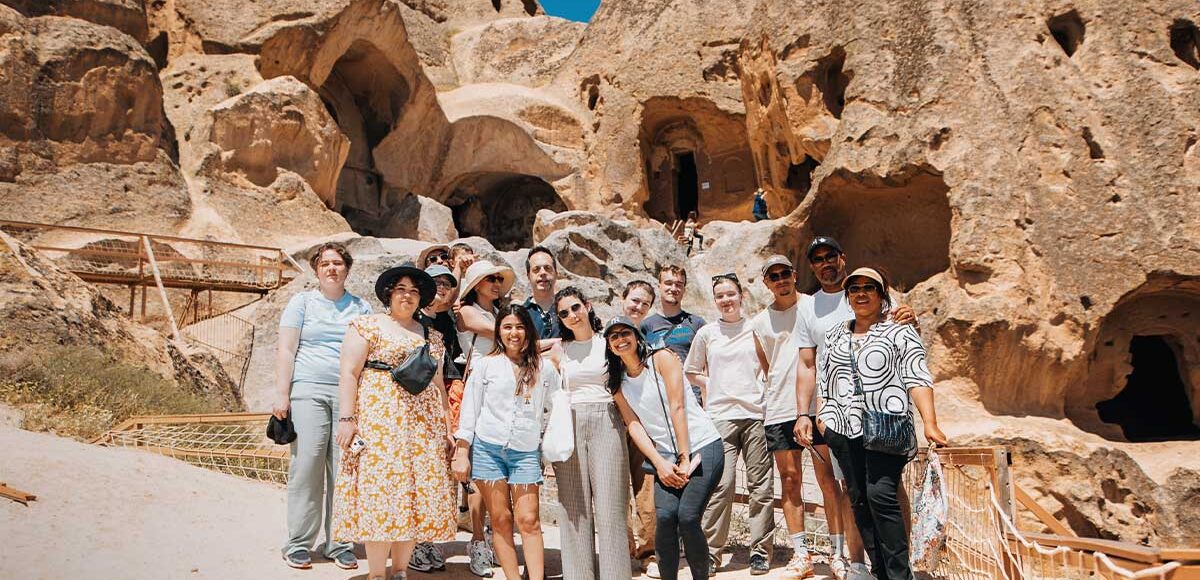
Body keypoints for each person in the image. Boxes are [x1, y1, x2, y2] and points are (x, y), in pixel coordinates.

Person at [804, 267, 947, 580]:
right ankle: (880, 570)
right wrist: (824, 418)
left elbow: (917, 376)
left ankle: (899, 574)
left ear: (882, 295)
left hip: (886, 425)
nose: (861, 293)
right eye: (854, 288)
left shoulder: (899, 330)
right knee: (858, 499)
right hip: (843, 428)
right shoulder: (835, 334)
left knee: (881, 495)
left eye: (869, 287)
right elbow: (825, 379)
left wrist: (930, 422)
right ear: (847, 296)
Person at [794, 236, 918, 580]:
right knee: (854, 492)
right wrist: (807, 412)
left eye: (830, 255)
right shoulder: (809, 306)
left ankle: (899, 567)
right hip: (838, 419)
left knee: (888, 492)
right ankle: (862, 562)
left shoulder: (874, 289)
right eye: (817, 258)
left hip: (883, 419)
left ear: (842, 258)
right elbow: (809, 364)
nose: (824, 263)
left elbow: (908, 346)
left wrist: (912, 319)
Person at [332, 264, 457, 580]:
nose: (408, 295)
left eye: (414, 291)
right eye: (401, 289)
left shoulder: (432, 335)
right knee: (382, 494)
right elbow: (349, 372)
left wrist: (446, 428)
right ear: (389, 293)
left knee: (413, 497)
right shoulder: (367, 326)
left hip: (422, 426)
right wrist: (347, 418)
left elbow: (439, 384)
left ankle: (400, 571)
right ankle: (376, 574)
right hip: (379, 423)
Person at [273, 242, 371, 571]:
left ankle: (340, 542)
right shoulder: (301, 303)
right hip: (308, 390)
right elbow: (286, 350)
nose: (331, 268)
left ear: (347, 268)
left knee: (344, 468)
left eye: (337, 263)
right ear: (316, 270)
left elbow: (371, 355)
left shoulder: (361, 307)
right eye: (325, 263)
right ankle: (299, 541)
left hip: (348, 393)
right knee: (307, 465)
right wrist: (281, 394)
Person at [605, 317, 724, 580]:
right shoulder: (618, 383)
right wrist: (660, 463)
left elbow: (677, 406)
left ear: (637, 337)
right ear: (610, 346)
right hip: (666, 457)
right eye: (613, 337)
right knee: (667, 518)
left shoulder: (662, 359)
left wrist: (684, 457)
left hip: (702, 445)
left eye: (625, 333)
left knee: (688, 517)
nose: (620, 339)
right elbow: (634, 425)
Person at [452, 305, 561, 580]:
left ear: (529, 331)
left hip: (524, 452)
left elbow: (555, 408)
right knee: (500, 520)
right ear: (499, 331)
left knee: (529, 520)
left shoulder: (545, 369)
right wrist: (462, 451)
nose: (514, 333)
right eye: (508, 327)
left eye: (520, 327)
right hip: (489, 448)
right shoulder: (486, 364)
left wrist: (548, 447)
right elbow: (470, 409)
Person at [750, 255, 838, 579]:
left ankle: (838, 552)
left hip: (818, 407)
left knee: (829, 480)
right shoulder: (759, 322)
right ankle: (802, 554)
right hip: (779, 408)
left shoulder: (815, 306)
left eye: (784, 273)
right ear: (767, 283)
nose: (780, 279)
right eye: (773, 276)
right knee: (790, 482)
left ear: (794, 274)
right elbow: (766, 364)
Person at [685, 274, 774, 576]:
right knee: (721, 487)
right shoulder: (708, 333)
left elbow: (770, 367)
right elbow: (691, 370)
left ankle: (760, 552)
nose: (726, 300)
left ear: (741, 296)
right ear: (715, 300)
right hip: (720, 416)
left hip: (756, 415)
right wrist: (710, 383)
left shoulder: (757, 329)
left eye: (730, 294)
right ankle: (711, 553)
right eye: (720, 295)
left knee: (760, 487)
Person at [553, 286, 633, 580]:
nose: (571, 316)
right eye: (563, 313)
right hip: (570, 422)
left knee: (611, 509)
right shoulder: (561, 349)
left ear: (587, 306)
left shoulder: (608, 343)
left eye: (575, 308)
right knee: (574, 509)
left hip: (607, 420)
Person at [456, 259, 516, 576]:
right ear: (476, 283)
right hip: (477, 392)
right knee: (479, 471)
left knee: (497, 468)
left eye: (498, 278)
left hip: (500, 393)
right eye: (489, 278)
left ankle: (492, 538)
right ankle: (478, 541)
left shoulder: (496, 314)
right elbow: (506, 336)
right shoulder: (467, 313)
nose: (496, 283)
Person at [409, 264, 464, 573]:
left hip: (436, 404)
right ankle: (414, 543)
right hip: (410, 407)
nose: (441, 287)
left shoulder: (441, 325)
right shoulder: (410, 320)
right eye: (435, 282)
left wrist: (447, 422)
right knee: (415, 475)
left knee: (435, 475)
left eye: (446, 283)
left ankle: (426, 540)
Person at [620, 279, 659, 575]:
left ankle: (649, 551)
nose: (638, 307)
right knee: (615, 492)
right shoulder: (606, 335)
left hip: (643, 424)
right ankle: (621, 549)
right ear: (623, 299)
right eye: (634, 300)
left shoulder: (649, 340)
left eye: (644, 304)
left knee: (646, 489)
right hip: (611, 423)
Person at [641, 266, 707, 402]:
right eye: (668, 283)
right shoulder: (646, 326)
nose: (673, 288)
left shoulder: (697, 323)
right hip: (659, 399)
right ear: (659, 286)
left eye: (679, 284)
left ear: (684, 290)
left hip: (691, 399)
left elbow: (706, 367)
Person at [522, 246, 562, 343]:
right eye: (536, 269)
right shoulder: (521, 314)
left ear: (556, 273)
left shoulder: (569, 308)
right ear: (528, 276)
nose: (543, 272)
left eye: (547, 268)